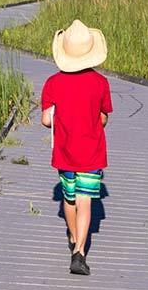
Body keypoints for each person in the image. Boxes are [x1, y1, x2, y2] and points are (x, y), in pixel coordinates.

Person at [40, 19, 112, 276]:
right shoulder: (101, 83)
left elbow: (47, 120)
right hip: (91, 151)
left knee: (68, 199)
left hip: (64, 152)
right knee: (85, 201)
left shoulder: (52, 83)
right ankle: (79, 251)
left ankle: (72, 236)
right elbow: (103, 118)